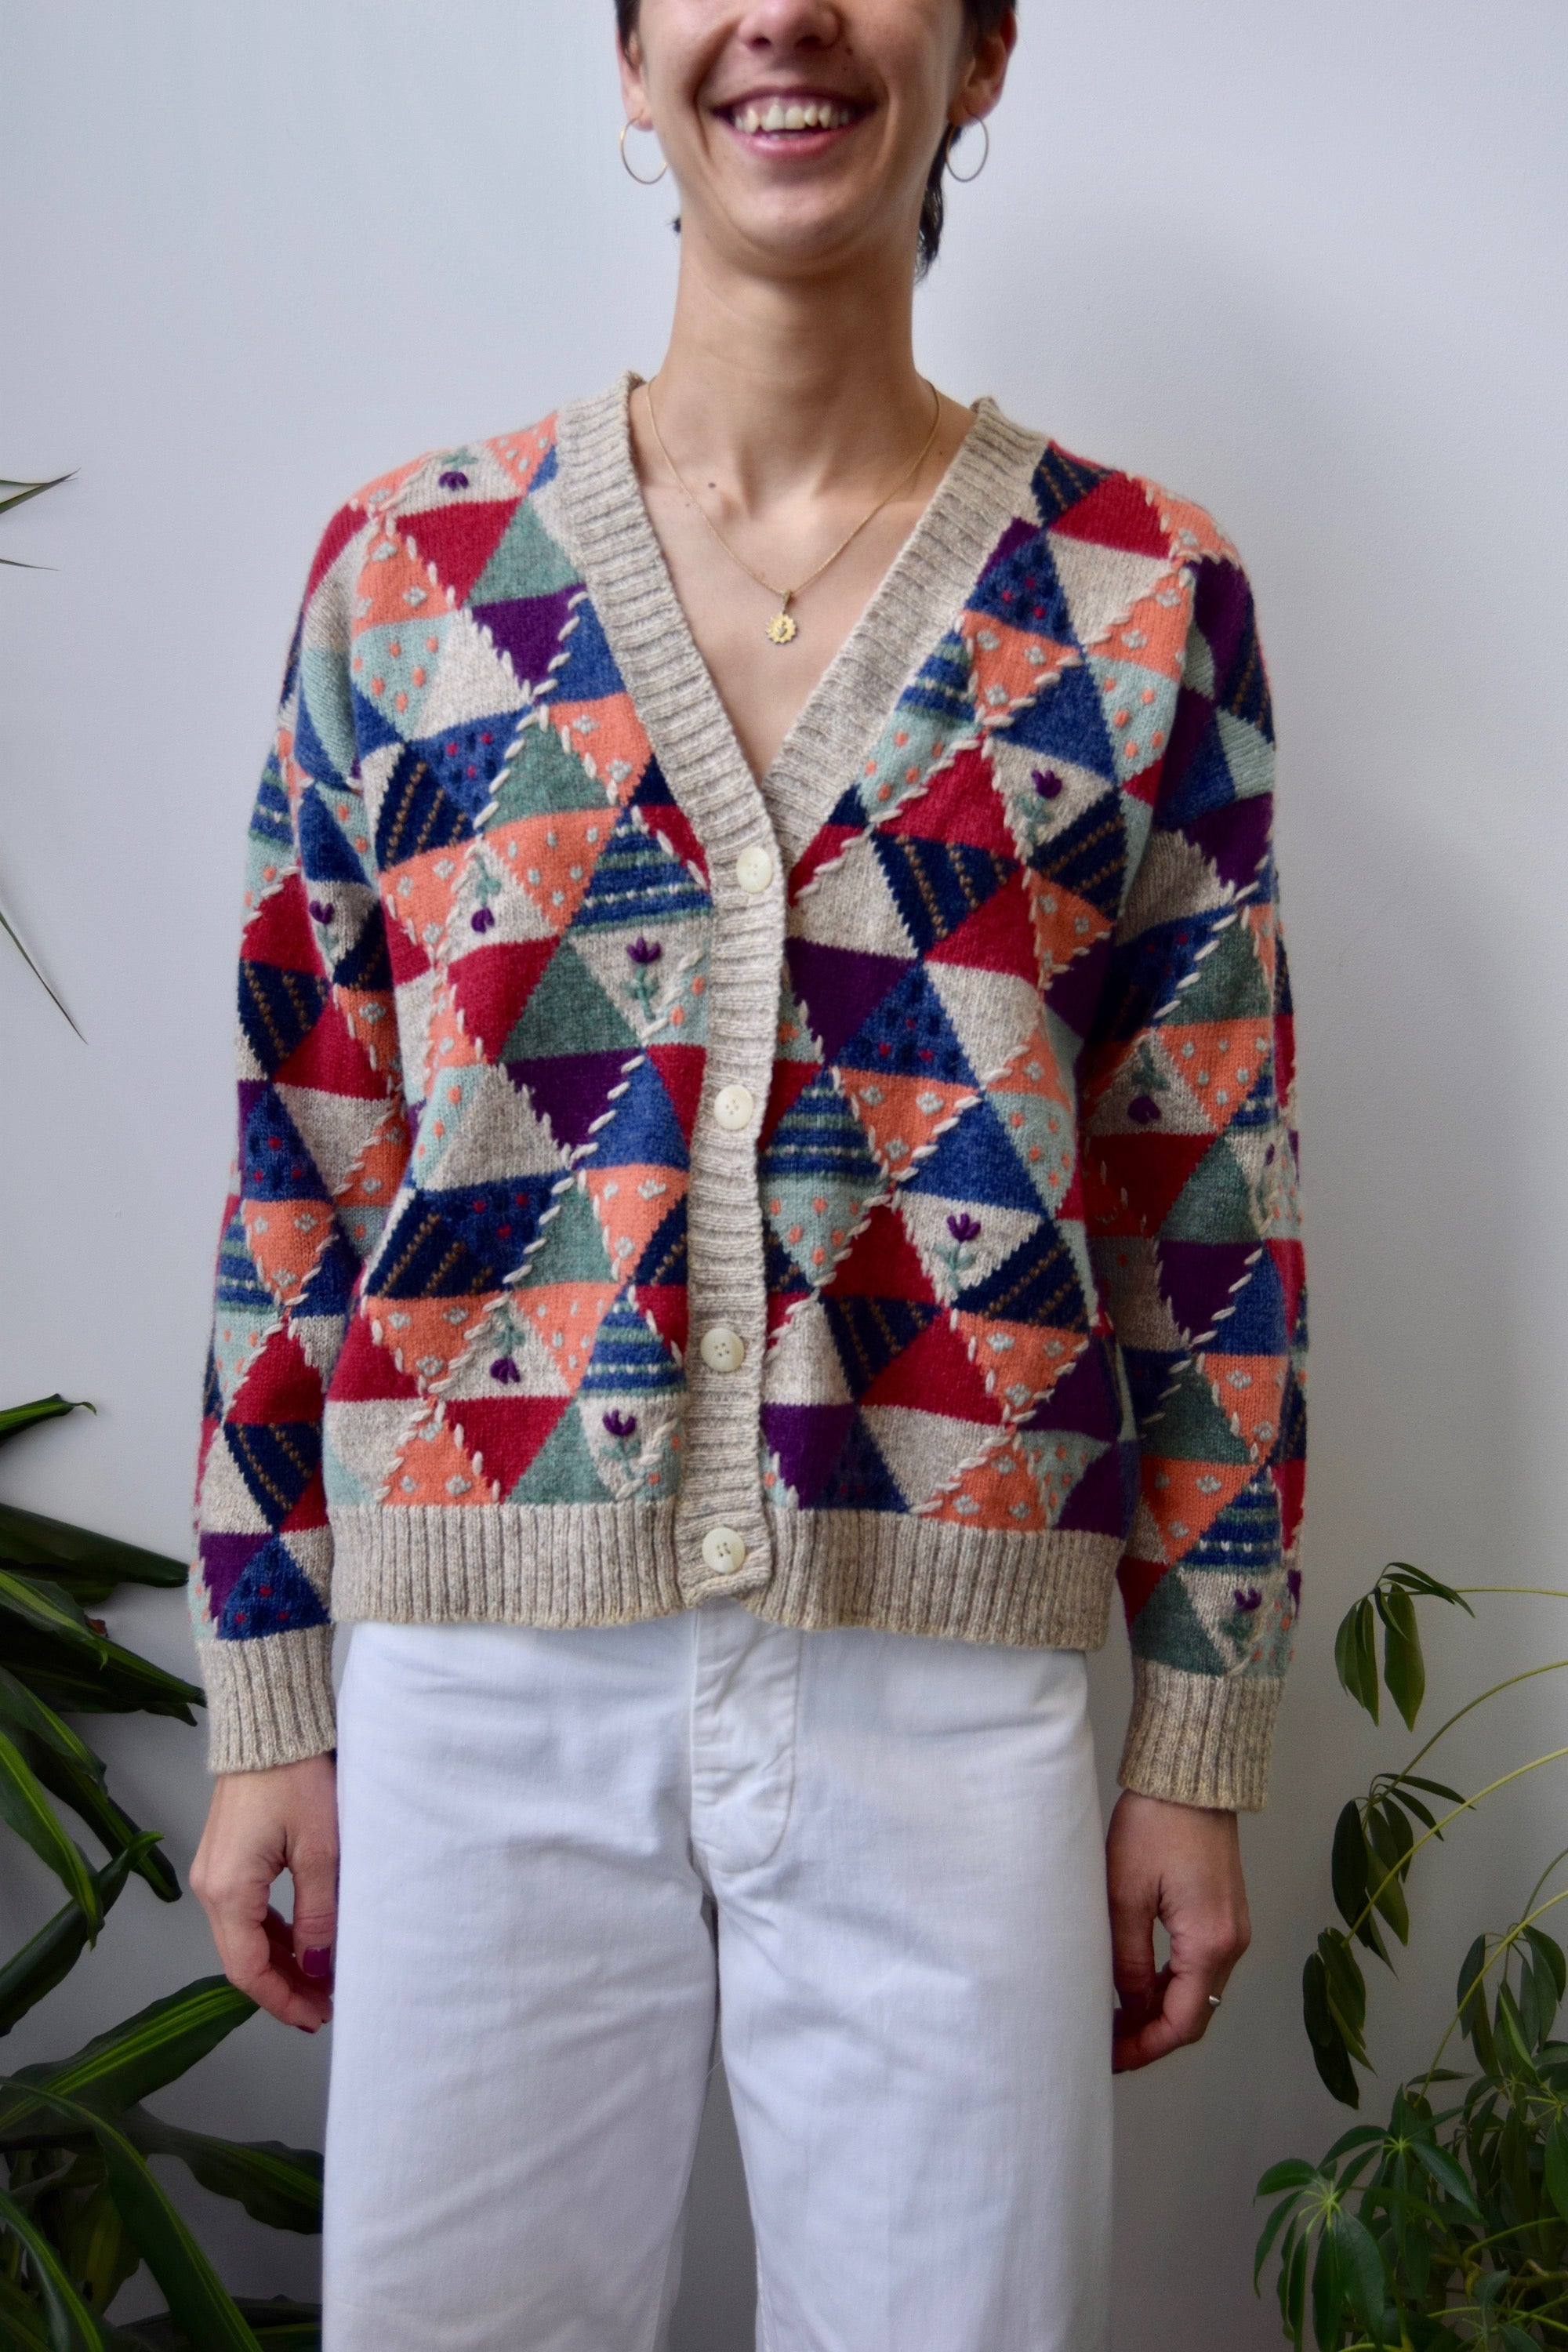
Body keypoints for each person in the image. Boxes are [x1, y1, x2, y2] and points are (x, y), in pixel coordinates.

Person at [187, 3, 1307, 2346]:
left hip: (952, 1681)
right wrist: (272, 1687)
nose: (782, 16)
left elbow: (1201, 1207)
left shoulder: (1137, 591)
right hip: (482, 1676)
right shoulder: (415, 574)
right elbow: (305, 1150)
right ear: (630, 59)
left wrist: (1192, 1743)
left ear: (982, 56)